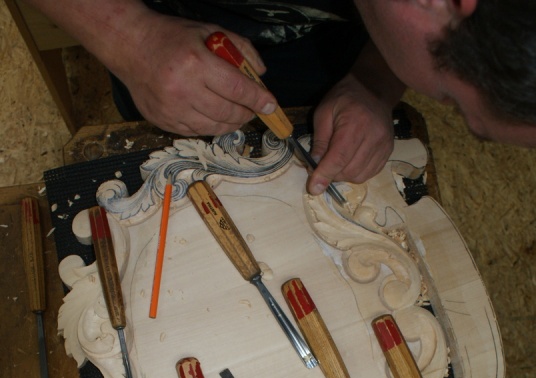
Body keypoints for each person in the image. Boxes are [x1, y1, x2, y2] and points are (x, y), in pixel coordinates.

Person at [20, 1, 536, 196]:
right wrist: (129, 39)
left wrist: (374, 83)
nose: (434, 99)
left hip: (321, 35)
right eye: (448, 99)